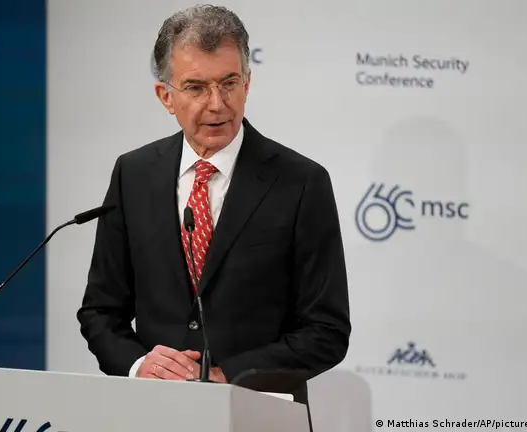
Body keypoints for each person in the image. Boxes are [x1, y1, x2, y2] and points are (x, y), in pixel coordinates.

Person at [76, 4, 350, 411]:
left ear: (247, 83)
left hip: (258, 412)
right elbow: (100, 312)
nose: (217, 103)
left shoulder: (301, 182)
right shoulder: (133, 174)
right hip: (153, 412)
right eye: (196, 87)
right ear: (166, 97)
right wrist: (138, 365)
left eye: (229, 83)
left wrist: (229, 376)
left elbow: (327, 330)